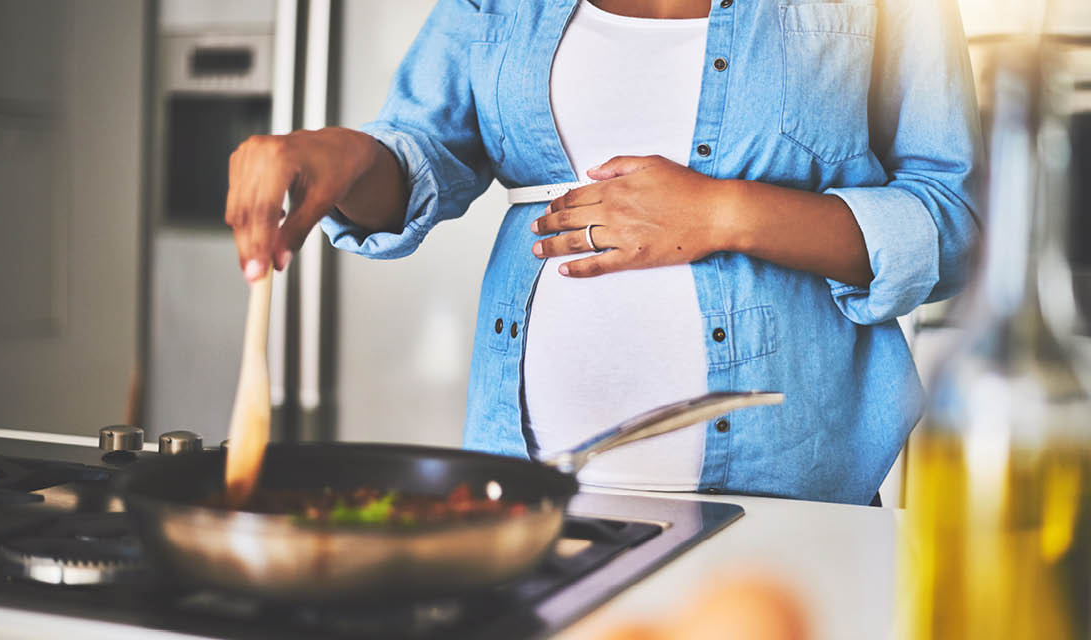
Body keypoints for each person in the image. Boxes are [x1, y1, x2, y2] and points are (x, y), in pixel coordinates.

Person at [225, 0, 980, 505]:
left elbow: (955, 220)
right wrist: (345, 157)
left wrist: (724, 212)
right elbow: (418, 156)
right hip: (533, 502)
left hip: (791, 499)